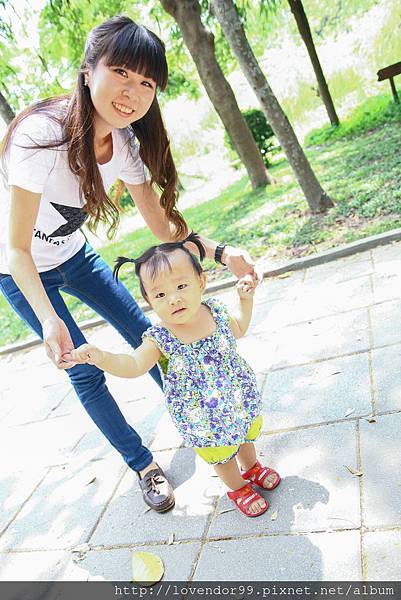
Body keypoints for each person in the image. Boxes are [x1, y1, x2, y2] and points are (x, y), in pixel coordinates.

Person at [0, 16, 261, 513]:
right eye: (120, 72)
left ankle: (200, 422)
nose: (132, 92)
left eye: (146, 83)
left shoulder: (123, 145)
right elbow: (17, 250)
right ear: (88, 71)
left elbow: (163, 227)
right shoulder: (40, 137)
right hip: (19, 270)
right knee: (84, 370)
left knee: (149, 335)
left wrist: (222, 252)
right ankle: (143, 465)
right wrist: (49, 319)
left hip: (74, 254)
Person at [67, 235, 280, 517]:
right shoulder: (159, 338)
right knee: (222, 452)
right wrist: (102, 357)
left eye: (181, 286)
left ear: (201, 281)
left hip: (237, 395)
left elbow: (238, 328)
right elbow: (133, 365)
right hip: (204, 415)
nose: (173, 299)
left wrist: (245, 300)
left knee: (244, 434)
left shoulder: (214, 311)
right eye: (160, 295)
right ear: (148, 301)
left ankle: (251, 467)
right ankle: (238, 487)